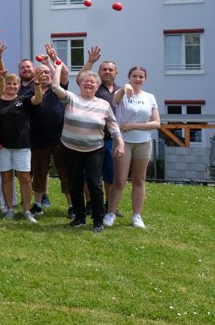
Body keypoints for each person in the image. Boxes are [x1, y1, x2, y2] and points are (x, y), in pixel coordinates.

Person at [47, 57, 124, 232]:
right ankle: (80, 217)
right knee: (74, 184)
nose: (89, 84)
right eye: (85, 81)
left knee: (95, 184)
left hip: (94, 150)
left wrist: (120, 143)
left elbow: (113, 126)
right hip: (70, 148)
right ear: (80, 84)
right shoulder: (71, 99)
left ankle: (98, 220)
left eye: (92, 82)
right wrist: (57, 67)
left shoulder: (104, 105)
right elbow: (55, 87)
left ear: (97, 87)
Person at [106, 66, 159, 229]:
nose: (137, 79)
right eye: (134, 76)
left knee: (139, 179)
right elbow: (117, 98)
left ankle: (137, 215)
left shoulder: (149, 97)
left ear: (145, 79)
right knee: (120, 180)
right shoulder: (121, 93)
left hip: (143, 142)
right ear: (129, 77)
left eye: (141, 77)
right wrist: (125, 88)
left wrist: (134, 125)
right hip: (124, 141)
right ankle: (110, 213)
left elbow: (156, 123)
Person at [26, 45, 72, 218]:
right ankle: (37, 205)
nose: (44, 74)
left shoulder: (58, 90)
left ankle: (71, 206)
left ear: (52, 75)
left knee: (65, 174)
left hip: (61, 140)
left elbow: (65, 74)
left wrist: (54, 59)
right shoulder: (32, 91)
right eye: (41, 72)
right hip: (38, 140)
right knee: (39, 173)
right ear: (35, 76)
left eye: (47, 73)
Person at [0, 48, 38, 222]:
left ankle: (27, 210)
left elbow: (38, 99)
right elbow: (1, 76)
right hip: (2, 146)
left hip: (22, 145)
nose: (12, 86)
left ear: (19, 86)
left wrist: (38, 85)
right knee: (6, 177)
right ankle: (9, 209)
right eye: (9, 83)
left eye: (15, 84)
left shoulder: (24, 100)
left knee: (25, 178)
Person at [81, 46, 120, 213]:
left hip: (112, 139)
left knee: (111, 174)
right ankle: (90, 202)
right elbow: (82, 77)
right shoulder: (94, 88)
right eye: (104, 69)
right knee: (89, 174)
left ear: (115, 73)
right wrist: (90, 61)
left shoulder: (122, 91)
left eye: (110, 69)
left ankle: (109, 205)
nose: (107, 72)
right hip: (92, 137)